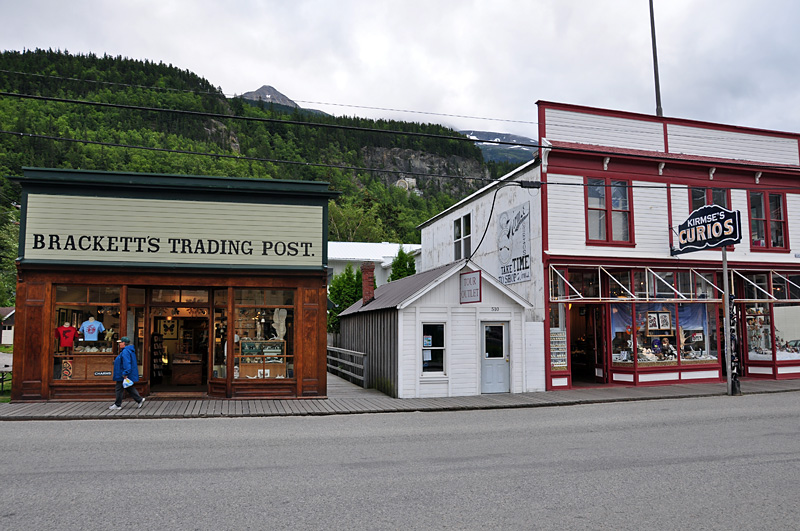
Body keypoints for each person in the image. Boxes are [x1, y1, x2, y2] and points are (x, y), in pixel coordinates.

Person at [109, 336, 145, 410]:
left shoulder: (125, 351)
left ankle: (117, 404)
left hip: (122, 374)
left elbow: (127, 363)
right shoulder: (127, 350)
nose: (119, 344)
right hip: (123, 373)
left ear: (124, 343)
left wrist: (125, 373)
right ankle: (139, 399)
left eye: (120, 343)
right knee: (128, 387)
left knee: (119, 389)